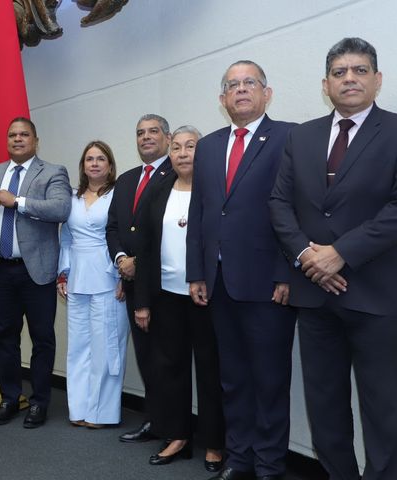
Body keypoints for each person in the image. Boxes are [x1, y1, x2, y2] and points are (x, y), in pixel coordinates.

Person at [269, 37, 397, 480]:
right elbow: (280, 203)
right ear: (326, 85)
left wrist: (340, 254)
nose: (349, 79)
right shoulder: (300, 137)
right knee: (325, 408)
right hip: (315, 297)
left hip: (376, 296)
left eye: (359, 70)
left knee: (383, 412)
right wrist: (308, 256)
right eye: (339, 72)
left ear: (377, 80)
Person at [186, 61, 296, 480]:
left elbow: (295, 208)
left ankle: (269, 465)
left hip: (269, 285)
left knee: (269, 381)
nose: (241, 90)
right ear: (222, 99)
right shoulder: (210, 145)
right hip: (218, 285)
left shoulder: (289, 136)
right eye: (233, 85)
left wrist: (287, 272)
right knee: (231, 379)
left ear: (267, 93)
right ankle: (240, 458)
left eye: (250, 83)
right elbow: (200, 213)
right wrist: (197, 272)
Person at [133, 126, 225, 471]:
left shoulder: (215, 191)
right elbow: (143, 249)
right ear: (168, 154)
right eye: (177, 147)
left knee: (209, 369)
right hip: (165, 296)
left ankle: (215, 442)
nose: (184, 153)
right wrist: (142, 301)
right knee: (170, 368)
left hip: (205, 296)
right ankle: (178, 436)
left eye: (191, 146)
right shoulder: (157, 192)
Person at [0, 117, 71, 428]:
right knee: (4, 337)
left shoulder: (53, 172)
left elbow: (61, 209)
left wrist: (17, 201)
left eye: (24, 135)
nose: (17, 139)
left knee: (42, 339)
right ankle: (10, 398)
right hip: (1, 270)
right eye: (12, 135)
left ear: (35, 140)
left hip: (37, 271)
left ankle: (39, 402)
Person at [105, 113, 173, 443]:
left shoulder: (178, 174)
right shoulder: (128, 179)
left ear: (168, 138)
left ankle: (176, 427)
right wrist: (121, 260)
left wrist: (138, 264)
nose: (146, 137)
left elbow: (164, 235)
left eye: (153, 132)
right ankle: (155, 421)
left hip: (164, 285)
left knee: (167, 358)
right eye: (140, 132)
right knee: (146, 355)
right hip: (132, 284)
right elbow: (114, 228)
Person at [56, 140, 128, 428]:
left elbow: (123, 236)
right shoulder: (72, 198)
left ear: (110, 165)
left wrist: (124, 276)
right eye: (89, 159)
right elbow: (66, 238)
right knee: (78, 347)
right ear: (83, 165)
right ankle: (80, 410)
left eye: (101, 158)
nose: (95, 163)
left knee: (106, 348)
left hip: (108, 278)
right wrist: (63, 273)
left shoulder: (118, 196)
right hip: (77, 279)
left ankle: (102, 413)